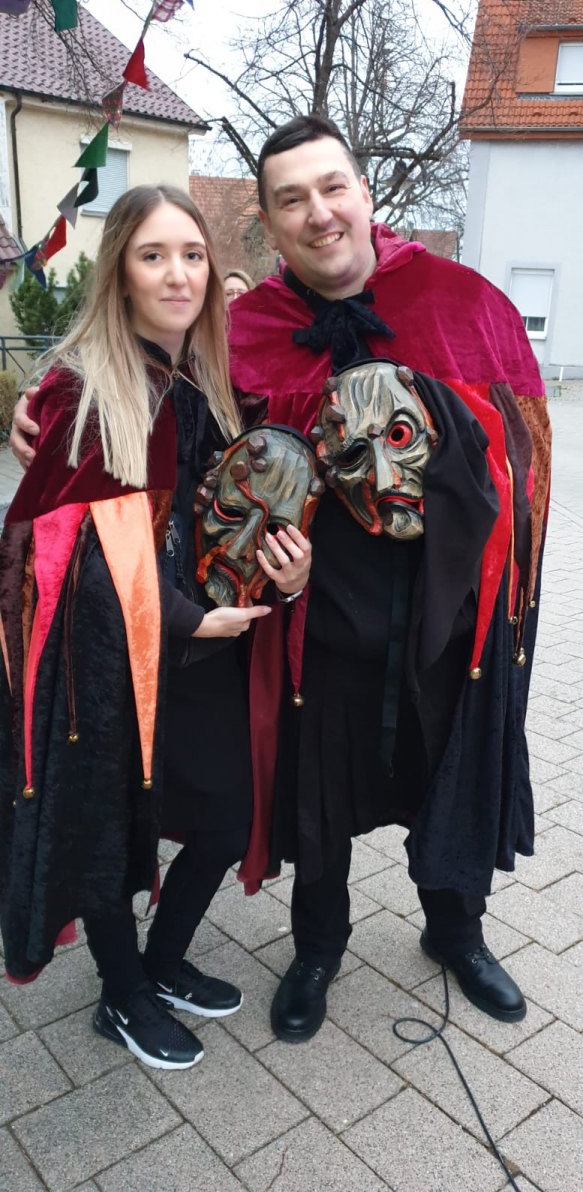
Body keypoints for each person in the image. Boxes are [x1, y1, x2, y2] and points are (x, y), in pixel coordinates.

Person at [10, 118, 552, 1046]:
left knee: (447, 767)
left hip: (444, 622)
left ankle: (455, 931)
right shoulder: (244, 331)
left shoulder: (465, 305)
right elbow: (166, 427)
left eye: (332, 187)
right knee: (317, 795)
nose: (318, 213)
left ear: (364, 192)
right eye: (291, 199)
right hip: (309, 630)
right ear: (265, 221)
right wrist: (47, 404)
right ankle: (315, 951)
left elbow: (527, 458)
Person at [0, 184, 311, 1070]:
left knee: (225, 815)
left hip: (202, 654)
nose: (177, 274)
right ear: (121, 274)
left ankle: (162, 960)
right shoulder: (81, 392)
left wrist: (289, 577)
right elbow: (67, 554)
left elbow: (238, 514)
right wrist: (187, 620)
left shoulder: (214, 385)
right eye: (153, 255)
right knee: (107, 821)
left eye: (192, 255)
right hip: (105, 666)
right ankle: (123, 993)